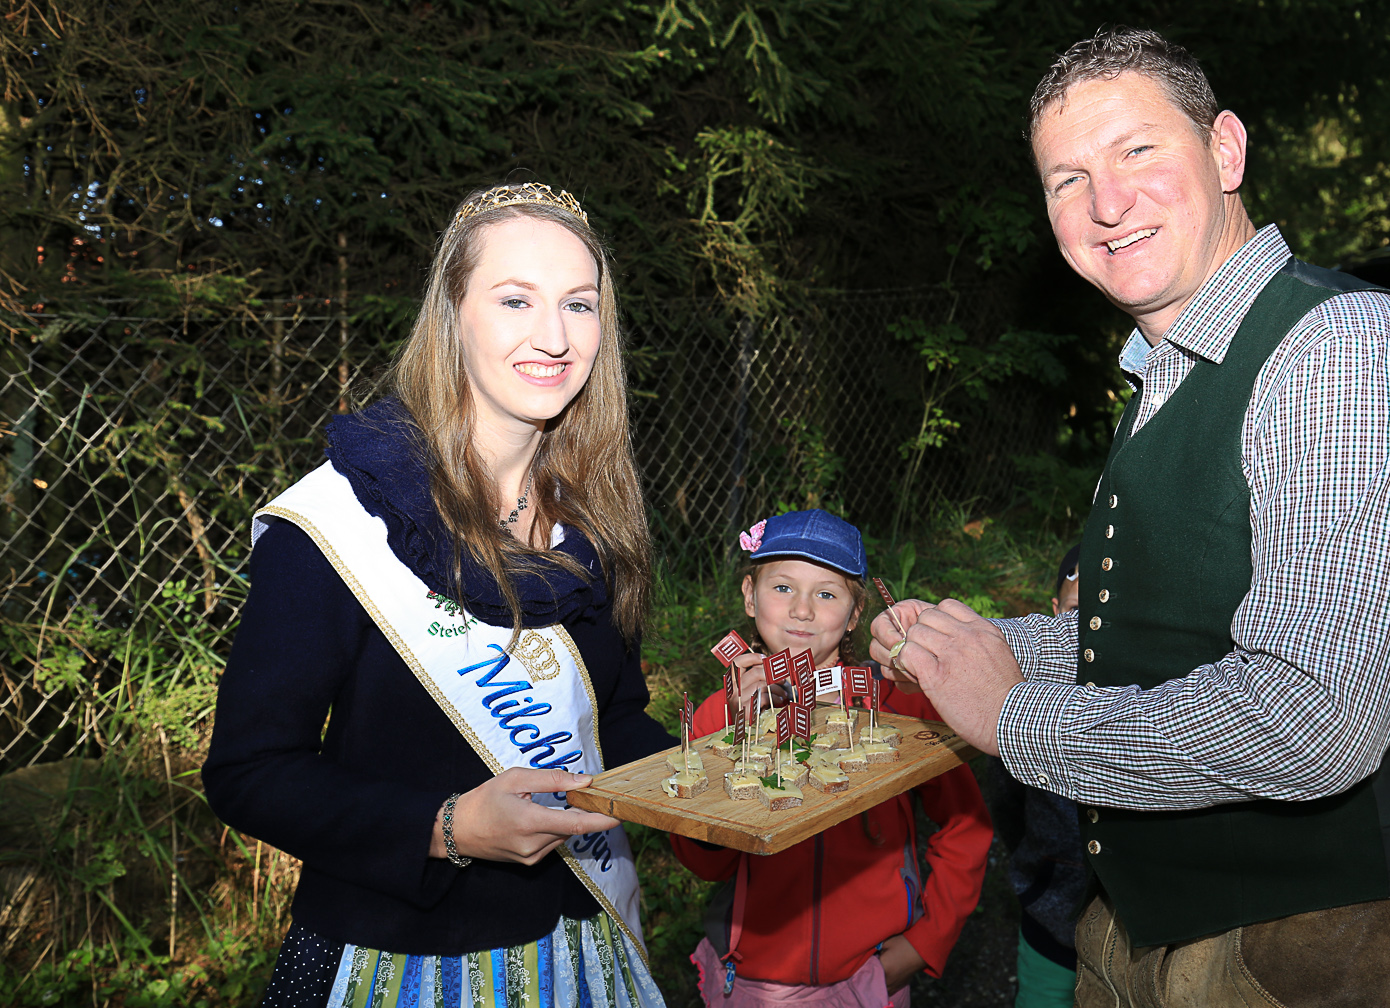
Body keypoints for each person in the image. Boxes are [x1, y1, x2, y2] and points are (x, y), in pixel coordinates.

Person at [870, 27, 1390, 1005]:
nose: (1107, 203)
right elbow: (1176, 632)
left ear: (1226, 151)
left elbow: (1313, 720)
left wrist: (1012, 716)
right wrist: (978, 652)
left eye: (1138, 151)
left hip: (1341, 947)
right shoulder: (1170, 377)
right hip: (1158, 930)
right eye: (1068, 180)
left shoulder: (1349, 353)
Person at [202, 183, 675, 1007]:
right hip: (398, 959)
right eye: (515, 299)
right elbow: (249, 773)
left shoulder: (593, 522)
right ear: (452, 314)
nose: (554, 336)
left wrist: (722, 772)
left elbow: (615, 721)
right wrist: (445, 826)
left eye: (579, 303)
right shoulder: (340, 523)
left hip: (581, 947)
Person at [670, 509, 993, 1008]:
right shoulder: (719, 715)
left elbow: (965, 825)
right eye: (783, 587)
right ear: (750, 595)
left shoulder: (898, 707)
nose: (802, 610)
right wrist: (735, 739)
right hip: (756, 978)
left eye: (826, 594)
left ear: (855, 613)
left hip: (871, 974)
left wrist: (927, 941)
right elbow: (703, 862)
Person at [1004, 546, 1084, 1008]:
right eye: (1075, 613)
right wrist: (1039, 868)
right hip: (1051, 924)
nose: (1087, 630)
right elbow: (1006, 798)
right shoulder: (1027, 700)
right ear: (1054, 613)